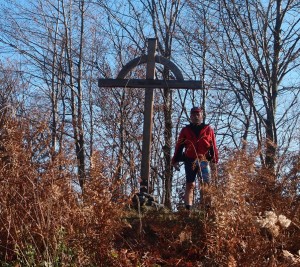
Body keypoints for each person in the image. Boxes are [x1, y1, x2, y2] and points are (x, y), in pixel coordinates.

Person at [172, 106, 218, 210]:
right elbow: (179, 146)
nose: (196, 116)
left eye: (198, 114)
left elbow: (213, 146)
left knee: (206, 183)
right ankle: (189, 209)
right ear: (190, 116)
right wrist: (175, 160)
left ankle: (207, 207)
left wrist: (215, 161)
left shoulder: (208, 129)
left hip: (204, 160)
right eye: (194, 114)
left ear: (201, 116)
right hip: (190, 160)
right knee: (190, 184)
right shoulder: (186, 130)